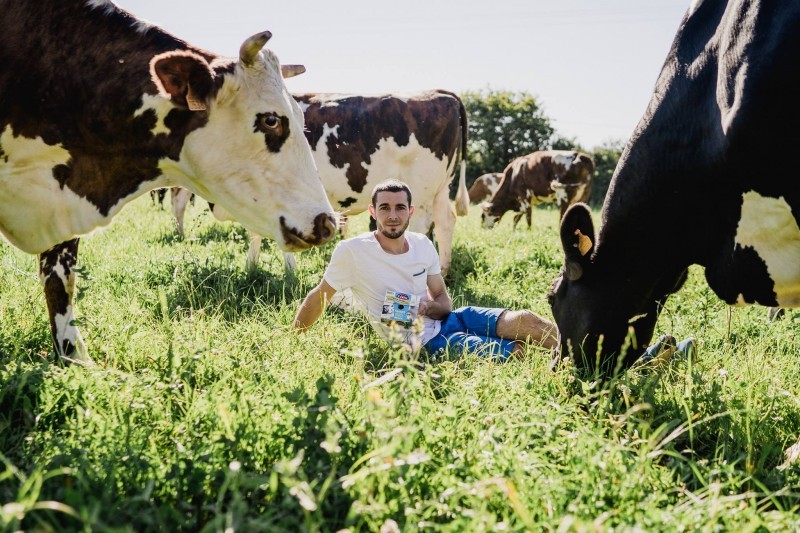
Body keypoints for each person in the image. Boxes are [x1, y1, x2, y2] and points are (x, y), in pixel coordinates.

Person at [293, 179, 558, 361]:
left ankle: (587, 349)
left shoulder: (422, 243)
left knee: (528, 320)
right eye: (384, 208)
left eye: (399, 208)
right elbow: (320, 295)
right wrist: (293, 339)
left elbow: (443, 300)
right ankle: (573, 363)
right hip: (424, 342)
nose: (392, 215)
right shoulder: (352, 251)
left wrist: (427, 308)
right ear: (372, 212)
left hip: (452, 318)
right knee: (516, 351)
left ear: (410, 211)